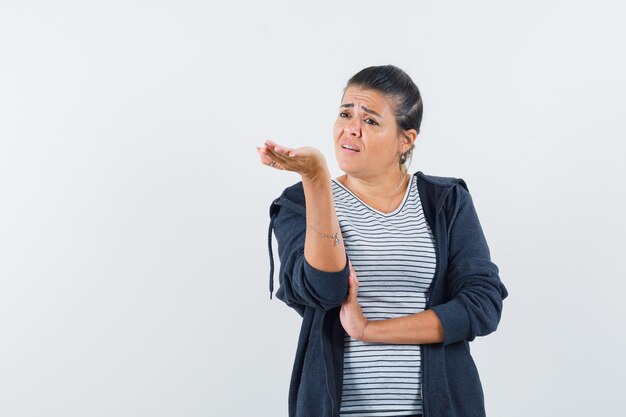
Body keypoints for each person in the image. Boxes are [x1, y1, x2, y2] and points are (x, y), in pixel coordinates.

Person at [257, 65, 509, 417]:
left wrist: (370, 330)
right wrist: (315, 179)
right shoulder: (301, 202)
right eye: (345, 113)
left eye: (371, 121)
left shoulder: (445, 201)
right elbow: (324, 289)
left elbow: (482, 305)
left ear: (405, 140)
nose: (351, 129)